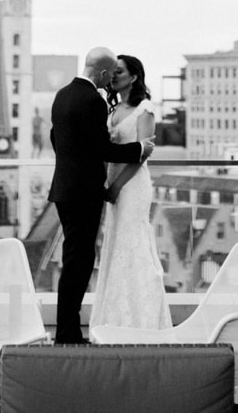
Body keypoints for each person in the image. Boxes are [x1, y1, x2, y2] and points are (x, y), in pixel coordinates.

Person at [49, 46, 152, 344]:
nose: (110, 81)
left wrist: (72, 162)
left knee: (74, 259)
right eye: (110, 74)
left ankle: (66, 328)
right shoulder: (92, 101)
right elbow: (102, 150)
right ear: (104, 73)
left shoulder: (63, 94)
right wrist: (140, 149)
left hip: (63, 188)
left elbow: (57, 139)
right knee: (79, 262)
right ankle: (67, 332)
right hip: (83, 193)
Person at [91, 54, 173, 333]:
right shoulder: (112, 111)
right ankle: (116, 317)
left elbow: (141, 155)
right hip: (112, 185)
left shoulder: (145, 109)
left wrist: (116, 186)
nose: (114, 76)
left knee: (133, 242)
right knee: (115, 244)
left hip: (133, 185)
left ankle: (142, 319)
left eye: (120, 72)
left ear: (134, 77)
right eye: (113, 71)